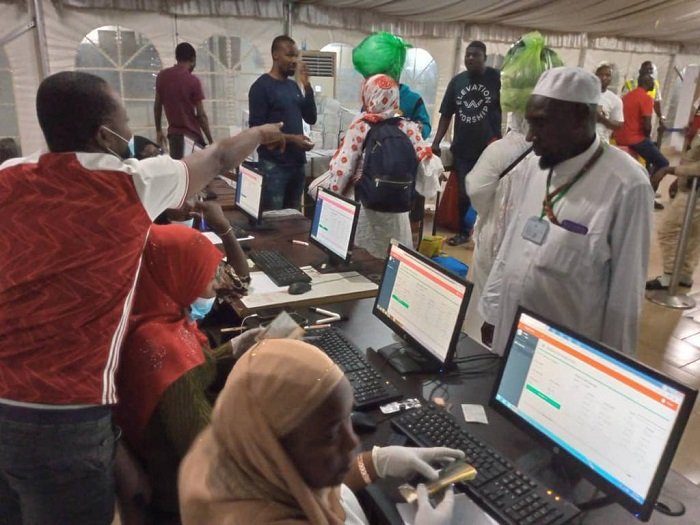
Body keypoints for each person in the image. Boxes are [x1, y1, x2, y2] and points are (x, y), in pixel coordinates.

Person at [0, 70, 282, 524]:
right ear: (104, 134)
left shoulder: (8, 174)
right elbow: (222, 153)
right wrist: (265, 132)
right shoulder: (129, 182)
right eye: (124, 121)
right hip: (63, 413)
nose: (130, 132)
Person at [179, 338, 462, 524]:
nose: (352, 441)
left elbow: (310, 491)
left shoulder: (245, 463)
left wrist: (374, 463)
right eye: (329, 435)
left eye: (347, 420)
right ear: (272, 447)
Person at [479, 67, 653, 357]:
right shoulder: (536, 166)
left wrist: (610, 371)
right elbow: (512, 245)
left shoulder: (627, 185)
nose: (531, 136)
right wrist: (493, 311)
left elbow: (626, 296)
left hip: (564, 353)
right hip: (509, 332)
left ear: (582, 119)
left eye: (542, 124)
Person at [114, 202, 258, 519]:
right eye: (206, 273)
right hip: (184, 496)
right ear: (175, 273)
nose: (216, 282)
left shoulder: (148, 316)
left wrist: (233, 349)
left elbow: (191, 373)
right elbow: (208, 446)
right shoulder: (165, 348)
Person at [467, 37, 562, 305]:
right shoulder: (565, 154)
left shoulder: (501, 150)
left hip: (496, 241)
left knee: (489, 306)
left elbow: (477, 189)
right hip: (540, 254)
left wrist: (488, 212)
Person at [309, 74, 439, 258]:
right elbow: (429, 172)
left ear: (367, 95)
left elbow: (342, 170)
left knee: (363, 260)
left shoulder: (360, 127)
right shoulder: (408, 127)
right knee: (392, 258)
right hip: (398, 210)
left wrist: (331, 198)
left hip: (365, 207)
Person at [431, 41, 502, 246]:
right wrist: (436, 142)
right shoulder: (457, 82)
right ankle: (464, 232)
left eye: (476, 55)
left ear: (484, 58)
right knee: (464, 192)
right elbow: (446, 114)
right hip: (463, 148)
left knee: (487, 192)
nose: (470, 58)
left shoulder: (496, 78)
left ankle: (486, 234)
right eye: (468, 55)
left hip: (489, 148)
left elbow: (509, 106)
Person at [249, 35, 317, 211]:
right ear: (275, 55)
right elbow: (257, 132)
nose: (294, 61)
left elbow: (311, 118)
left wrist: (307, 85)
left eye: (296, 56)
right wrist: (293, 139)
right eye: (290, 55)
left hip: (297, 165)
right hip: (274, 168)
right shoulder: (261, 87)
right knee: (275, 221)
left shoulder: (293, 86)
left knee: (293, 220)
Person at [647, 131, 700, 290]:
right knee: (693, 234)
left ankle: (670, 275)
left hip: (695, 193)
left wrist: (670, 170)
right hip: (690, 187)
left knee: (668, 230)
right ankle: (684, 274)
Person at [615, 74, 669, 209]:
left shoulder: (627, 96)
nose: (654, 84)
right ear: (647, 82)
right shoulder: (646, 98)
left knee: (649, 163)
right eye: (652, 81)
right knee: (663, 164)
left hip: (620, 137)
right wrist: (648, 138)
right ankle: (648, 198)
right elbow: (647, 125)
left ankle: (644, 187)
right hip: (634, 138)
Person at [154, 42, 213, 159]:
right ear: (193, 59)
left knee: (180, 173)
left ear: (176, 58)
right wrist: (211, 141)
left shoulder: (162, 76)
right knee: (195, 174)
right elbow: (201, 116)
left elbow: (157, 106)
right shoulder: (193, 81)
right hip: (192, 138)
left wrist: (159, 130)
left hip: (174, 137)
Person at [622, 61, 665, 131]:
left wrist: (660, 116)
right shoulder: (630, 83)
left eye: (651, 69)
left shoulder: (655, 84)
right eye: (648, 69)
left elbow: (657, 102)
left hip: (646, 118)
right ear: (640, 71)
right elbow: (622, 103)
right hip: (630, 118)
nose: (650, 72)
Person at [594, 62, 624, 143]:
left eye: (607, 75)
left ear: (611, 78)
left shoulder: (615, 100)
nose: (603, 78)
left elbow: (619, 125)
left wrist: (601, 118)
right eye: (600, 75)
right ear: (595, 76)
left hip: (601, 143)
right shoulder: (583, 94)